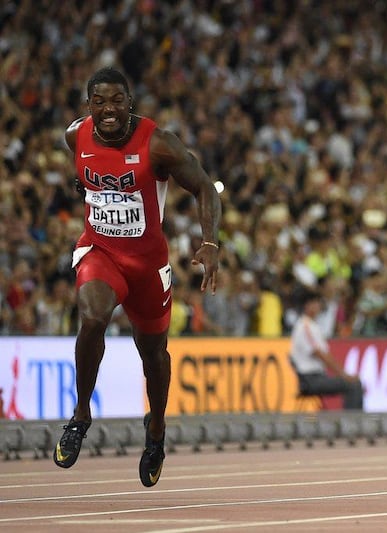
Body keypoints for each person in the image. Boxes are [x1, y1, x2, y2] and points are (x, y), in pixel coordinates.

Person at [52, 67, 221, 488]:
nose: (108, 110)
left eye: (116, 101)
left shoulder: (158, 143)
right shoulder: (76, 135)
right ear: (88, 106)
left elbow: (204, 187)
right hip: (101, 251)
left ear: (130, 103)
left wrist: (211, 243)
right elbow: (85, 169)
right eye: (99, 102)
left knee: (154, 354)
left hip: (147, 265)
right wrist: (86, 187)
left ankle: (157, 428)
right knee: (92, 317)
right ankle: (81, 415)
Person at [289, 289, 364, 410]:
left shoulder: (312, 325)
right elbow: (321, 354)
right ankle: (352, 425)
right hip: (310, 379)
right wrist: (343, 374)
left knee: (353, 384)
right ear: (307, 306)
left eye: (318, 303)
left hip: (317, 376)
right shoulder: (305, 326)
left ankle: (352, 423)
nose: (318, 306)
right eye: (315, 303)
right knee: (353, 385)